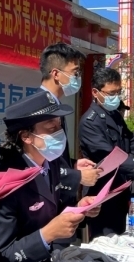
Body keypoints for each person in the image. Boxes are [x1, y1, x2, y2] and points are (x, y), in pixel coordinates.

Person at [0, 91, 101, 262]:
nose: (59, 133)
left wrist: (80, 209)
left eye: (60, 126)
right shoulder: (7, 182)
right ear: (26, 137)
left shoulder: (51, 164)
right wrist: (47, 234)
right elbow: (2, 257)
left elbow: (52, 210)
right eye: (51, 128)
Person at [78, 67, 134, 236]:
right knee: (106, 242)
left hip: (120, 189)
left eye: (119, 92)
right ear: (95, 92)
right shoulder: (90, 122)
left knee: (122, 236)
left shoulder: (113, 115)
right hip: (101, 194)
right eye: (111, 93)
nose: (116, 97)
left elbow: (132, 142)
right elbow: (110, 157)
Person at [39, 43, 101, 197]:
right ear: (56, 74)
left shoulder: (54, 105)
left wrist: (72, 164)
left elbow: (52, 156)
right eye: (75, 72)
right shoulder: (40, 109)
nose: (78, 78)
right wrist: (77, 176)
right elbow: (37, 166)